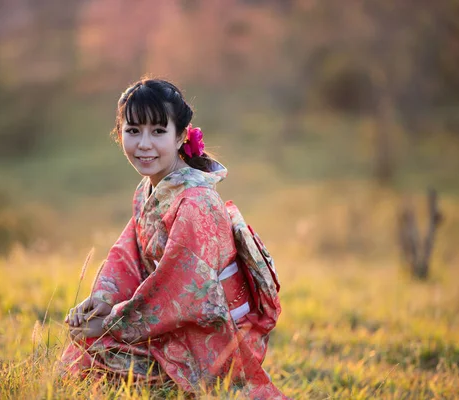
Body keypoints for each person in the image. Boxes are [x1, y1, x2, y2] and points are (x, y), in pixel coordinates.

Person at [61, 78, 288, 399]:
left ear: (180, 136)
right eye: (133, 130)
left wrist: (113, 325)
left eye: (158, 131)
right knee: (86, 348)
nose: (144, 144)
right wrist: (103, 299)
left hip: (208, 329)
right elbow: (129, 255)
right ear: (119, 133)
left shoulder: (195, 201)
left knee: (100, 354)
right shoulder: (150, 189)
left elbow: (181, 288)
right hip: (172, 315)